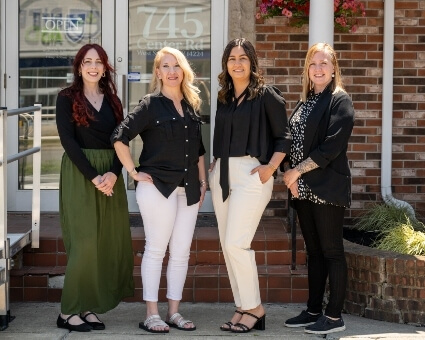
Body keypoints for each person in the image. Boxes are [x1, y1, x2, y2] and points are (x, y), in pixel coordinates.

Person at [111, 46, 207, 334]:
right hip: (157, 188)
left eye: (176, 65)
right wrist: (133, 172)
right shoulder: (150, 104)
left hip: (188, 188)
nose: (172, 71)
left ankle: (173, 312)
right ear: (158, 72)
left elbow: (199, 150)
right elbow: (119, 136)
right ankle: (151, 314)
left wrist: (203, 183)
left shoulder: (191, 104)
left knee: (181, 253)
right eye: (166, 66)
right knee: (156, 250)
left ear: (183, 71)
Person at [209, 38, 291, 333]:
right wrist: (215, 165)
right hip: (222, 172)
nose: (237, 63)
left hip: (251, 173)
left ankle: (255, 307)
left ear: (252, 62)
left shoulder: (266, 95)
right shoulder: (224, 97)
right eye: (232, 58)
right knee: (227, 246)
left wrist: (271, 168)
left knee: (236, 243)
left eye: (243, 57)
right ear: (226, 64)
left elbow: (285, 137)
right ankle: (242, 306)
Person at [55, 43, 134, 332]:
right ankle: (68, 311)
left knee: (103, 243)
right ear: (78, 66)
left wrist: (114, 174)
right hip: (80, 173)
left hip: (110, 175)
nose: (92, 66)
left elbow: (120, 140)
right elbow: (68, 142)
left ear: (105, 67)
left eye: (98, 61)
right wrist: (94, 177)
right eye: (87, 61)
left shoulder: (113, 99)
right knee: (84, 242)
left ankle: (88, 306)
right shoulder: (65, 98)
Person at [282, 42, 355, 335]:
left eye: (324, 63)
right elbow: (290, 141)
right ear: (307, 69)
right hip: (301, 189)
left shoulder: (340, 101)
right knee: (313, 252)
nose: (318, 69)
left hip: (326, 187)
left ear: (334, 67)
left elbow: (331, 147)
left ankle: (335, 317)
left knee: (332, 251)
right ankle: (313, 310)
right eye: (313, 64)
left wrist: (297, 172)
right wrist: (289, 174)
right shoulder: (306, 101)